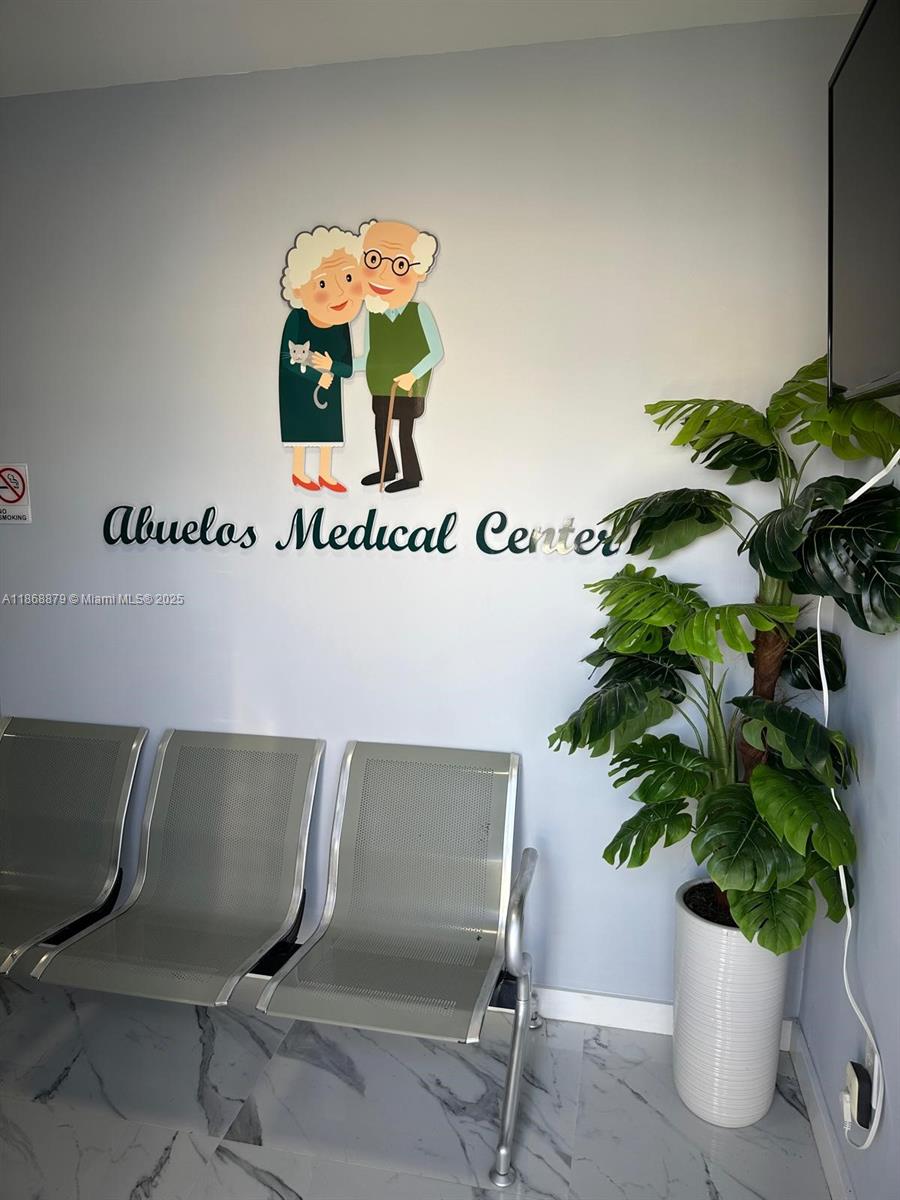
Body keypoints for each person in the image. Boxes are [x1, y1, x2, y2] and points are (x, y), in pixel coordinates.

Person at [353, 219, 444, 493]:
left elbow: (436, 352)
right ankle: (387, 469)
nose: (384, 275)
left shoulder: (419, 312)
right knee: (380, 428)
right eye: (374, 261)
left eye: (400, 265)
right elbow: (368, 356)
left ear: (418, 272)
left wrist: (412, 375)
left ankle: (411, 476)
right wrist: (339, 366)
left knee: (405, 432)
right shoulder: (374, 315)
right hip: (380, 384)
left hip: (409, 388)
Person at [279, 226, 365, 491]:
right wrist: (318, 375)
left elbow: (347, 368)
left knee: (327, 431)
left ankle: (325, 473)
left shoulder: (341, 325)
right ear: (299, 289)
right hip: (299, 388)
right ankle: (298, 471)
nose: (339, 292)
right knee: (301, 430)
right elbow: (287, 360)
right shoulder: (296, 319)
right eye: (323, 283)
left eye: (348, 278)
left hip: (329, 390)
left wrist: (331, 366)